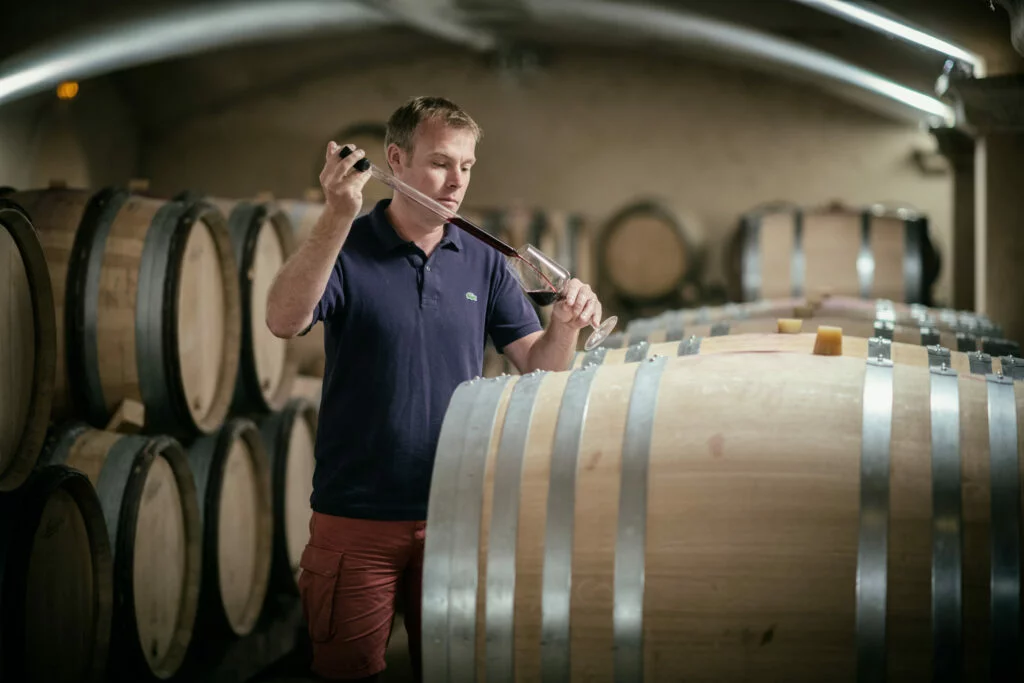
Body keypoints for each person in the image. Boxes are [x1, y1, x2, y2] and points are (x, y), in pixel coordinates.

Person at [265, 96, 603, 682]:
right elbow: (283, 320)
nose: (456, 184)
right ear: (396, 160)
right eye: (442, 163)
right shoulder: (346, 248)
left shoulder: (484, 259)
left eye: (467, 167)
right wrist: (336, 216)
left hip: (456, 516)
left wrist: (565, 327)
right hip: (357, 517)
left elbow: (539, 372)